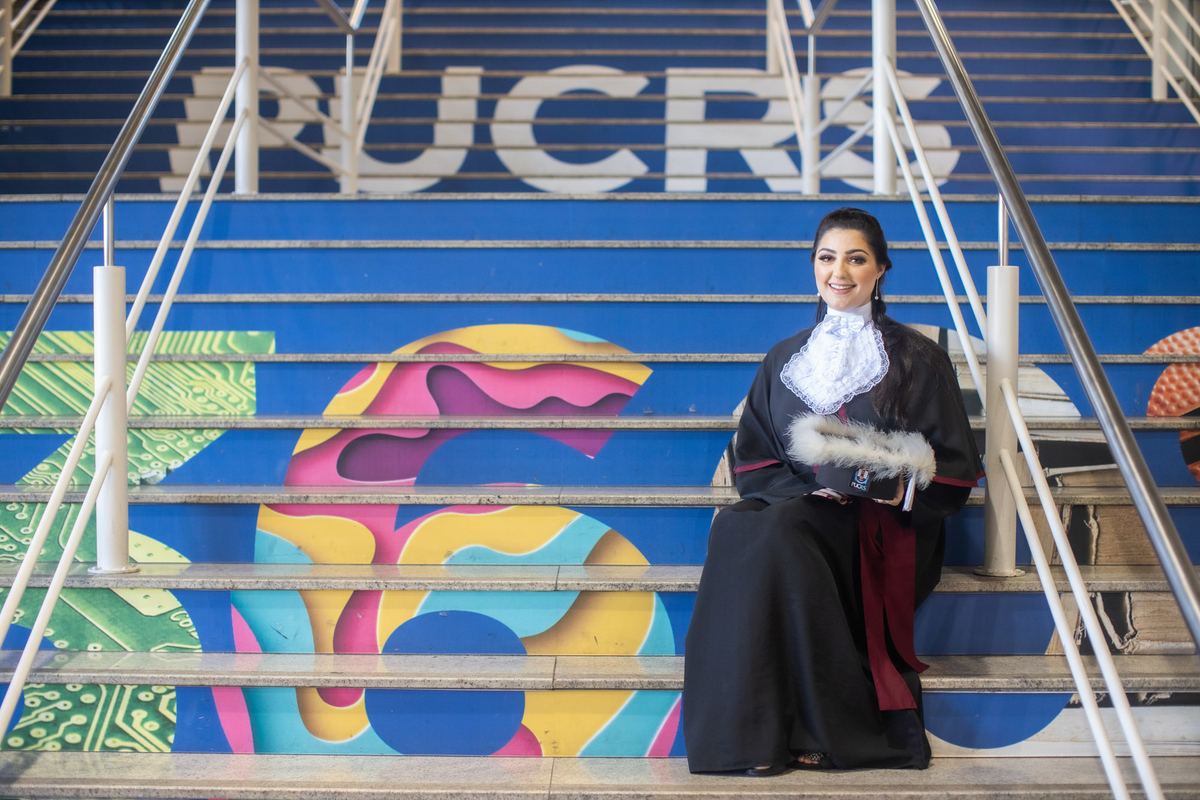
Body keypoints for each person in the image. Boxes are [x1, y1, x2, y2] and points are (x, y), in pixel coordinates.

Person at [682, 207, 982, 775]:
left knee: (784, 532)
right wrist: (808, 492)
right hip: (798, 510)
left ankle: (816, 730)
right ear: (813, 265)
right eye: (827, 257)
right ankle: (746, 735)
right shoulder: (783, 358)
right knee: (737, 526)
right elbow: (755, 457)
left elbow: (955, 469)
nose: (838, 272)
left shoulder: (919, 359)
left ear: (881, 269)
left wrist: (876, 486)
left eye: (856, 258)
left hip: (884, 526)